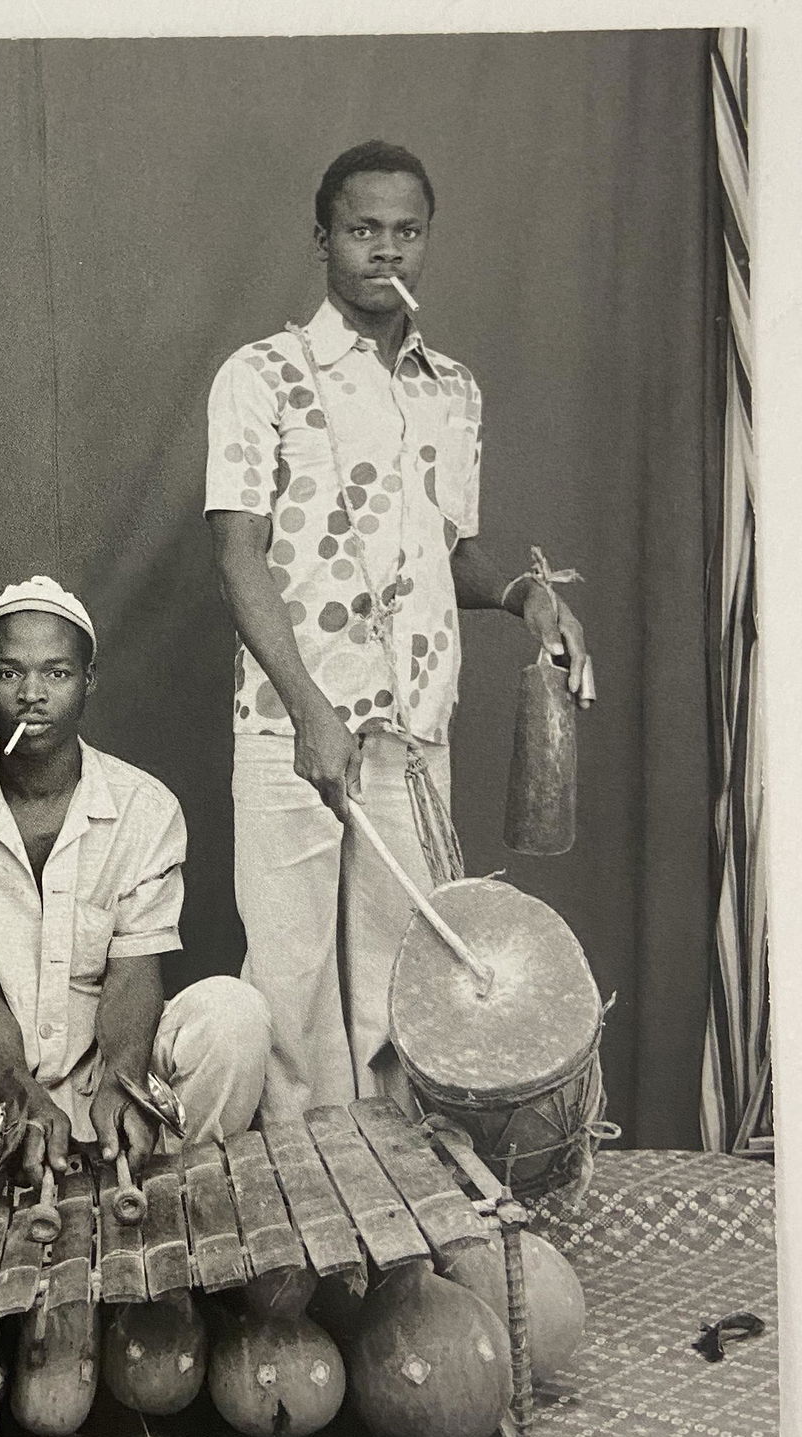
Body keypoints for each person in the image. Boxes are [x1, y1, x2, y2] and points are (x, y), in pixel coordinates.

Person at [205, 140, 591, 1114]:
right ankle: (297, 1228)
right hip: (289, 728)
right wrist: (307, 712)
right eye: (362, 229)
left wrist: (524, 597)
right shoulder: (261, 377)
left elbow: (446, 555)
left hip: (414, 733)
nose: (385, 251)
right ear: (322, 239)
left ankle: (398, 1213)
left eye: (405, 232)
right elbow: (237, 552)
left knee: (404, 978)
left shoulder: (451, 391)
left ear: (426, 241)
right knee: (289, 985)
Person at [0, 577, 273, 1224]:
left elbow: (136, 970)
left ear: (89, 680)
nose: (32, 695)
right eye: (10, 672)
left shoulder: (144, 808)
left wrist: (125, 1081)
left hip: (111, 1089)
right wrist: (20, 1095)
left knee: (236, 1012)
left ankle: (168, 1202)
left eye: (57, 672)